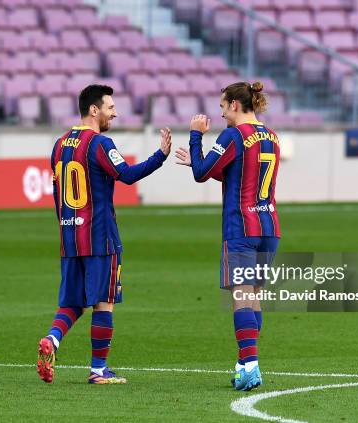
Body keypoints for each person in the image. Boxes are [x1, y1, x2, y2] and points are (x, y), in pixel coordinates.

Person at [37, 84, 172, 384]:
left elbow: (57, 194)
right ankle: (98, 370)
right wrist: (160, 155)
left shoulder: (59, 145)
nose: (115, 112)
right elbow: (126, 174)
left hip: (70, 237)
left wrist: (66, 227)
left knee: (72, 302)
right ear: (94, 110)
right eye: (111, 107)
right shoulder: (100, 144)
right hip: (100, 237)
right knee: (103, 301)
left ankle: (52, 340)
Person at [175, 81, 280, 391]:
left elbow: (201, 173)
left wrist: (196, 136)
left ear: (235, 104)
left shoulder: (234, 135)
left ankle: (250, 366)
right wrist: (203, 161)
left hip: (241, 227)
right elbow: (234, 170)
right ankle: (244, 364)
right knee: (254, 296)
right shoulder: (271, 136)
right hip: (269, 227)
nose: (220, 114)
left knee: (242, 296)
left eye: (222, 107)